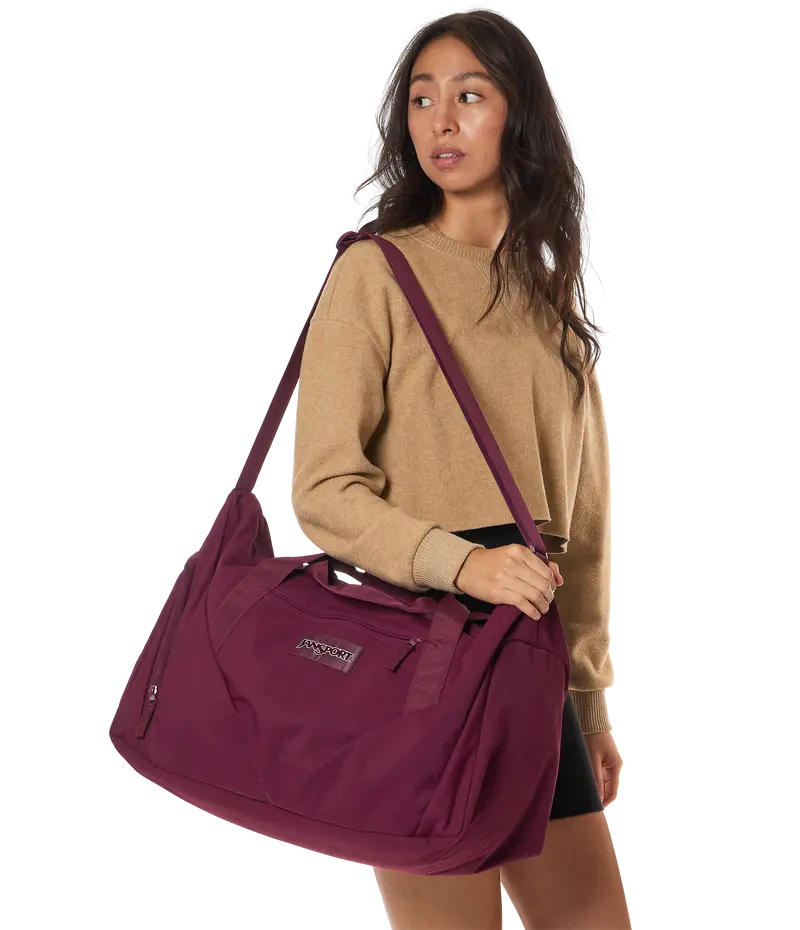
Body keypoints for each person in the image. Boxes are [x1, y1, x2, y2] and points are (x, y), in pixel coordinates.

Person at [290, 8, 631, 929]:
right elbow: (322, 489)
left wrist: (591, 704)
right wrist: (464, 563)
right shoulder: (377, 273)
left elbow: (586, 525)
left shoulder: (554, 298)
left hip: (530, 649)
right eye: (422, 99)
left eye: (470, 96)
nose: (439, 120)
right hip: (416, 649)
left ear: (519, 116)